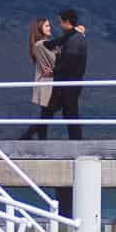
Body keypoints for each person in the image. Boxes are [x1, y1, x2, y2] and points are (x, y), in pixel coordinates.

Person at [28, 9, 88, 140]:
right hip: (59, 84)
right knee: (56, 113)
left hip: (65, 84)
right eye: (47, 25)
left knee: (54, 113)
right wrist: (75, 32)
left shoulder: (73, 40)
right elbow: (54, 45)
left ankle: (29, 138)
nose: (57, 25)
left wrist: (74, 32)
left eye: (60, 22)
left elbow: (68, 60)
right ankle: (31, 137)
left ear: (67, 22)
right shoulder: (41, 44)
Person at [19, 17, 56, 139]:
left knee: (46, 114)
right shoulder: (40, 45)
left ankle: (39, 139)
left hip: (48, 83)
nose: (49, 28)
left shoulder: (45, 44)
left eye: (49, 25)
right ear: (39, 28)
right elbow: (54, 61)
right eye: (46, 26)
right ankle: (28, 135)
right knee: (46, 114)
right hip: (47, 84)